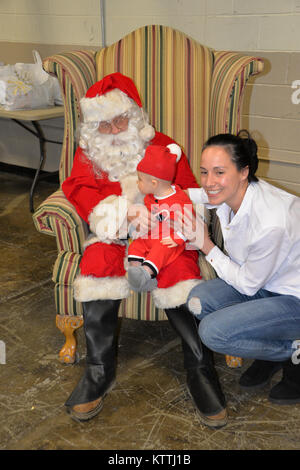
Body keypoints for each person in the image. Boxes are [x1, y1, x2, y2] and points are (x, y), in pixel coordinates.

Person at [61, 72, 227, 428]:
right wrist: (114, 214)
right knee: (97, 261)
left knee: (180, 269)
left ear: (136, 116)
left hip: (163, 233)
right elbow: (78, 188)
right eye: (104, 124)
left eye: (121, 118)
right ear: (92, 128)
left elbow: (187, 190)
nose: (115, 128)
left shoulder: (164, 146)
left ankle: (199, 368)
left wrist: (164, 219)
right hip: (114, 233)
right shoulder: (88, 154)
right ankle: (99, 370)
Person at [177, 130, 300, 412]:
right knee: (198, 300)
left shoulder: (271, 222)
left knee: (213, 333)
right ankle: (271, 346)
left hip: (294, 297)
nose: (209, 182)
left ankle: (291, 352)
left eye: (219, 172)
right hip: (267, 284)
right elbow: (202, 194)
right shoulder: (231, 194)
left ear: (243, 171)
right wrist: (162, 194)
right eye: (204, 171)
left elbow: (246, 285)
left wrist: (206, 246)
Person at [127, 143, 195, 292]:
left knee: (160, 249)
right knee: (137, 244)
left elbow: (189, 224)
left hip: (169, 239)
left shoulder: (180, 199)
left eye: (140, 180)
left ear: (154, 183)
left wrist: (177, 238)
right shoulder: (150, 197)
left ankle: (147, 272)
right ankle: (135, 272)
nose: (137, 183)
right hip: (153, 233)